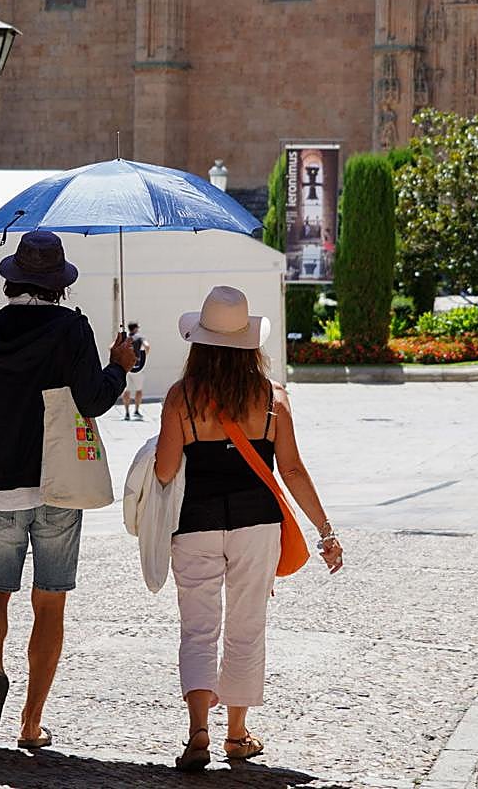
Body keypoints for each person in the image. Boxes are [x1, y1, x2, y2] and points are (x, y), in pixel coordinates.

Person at [0, 230, 136, 747]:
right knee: (49, 602)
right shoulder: (71, 329)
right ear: (58, 285)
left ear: (13, 279)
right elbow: (92, 401)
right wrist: (119, 365)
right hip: (57, 484)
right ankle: (30, 722)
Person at [154, 285, 344, 772]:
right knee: (246, 628)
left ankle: (198, 732)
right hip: (257, 523)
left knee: (198, 630)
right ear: (249, 344)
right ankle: (236, 735)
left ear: (199, 343)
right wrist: (324, 530)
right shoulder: (271, 397)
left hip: (194, 523)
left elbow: (164, 470)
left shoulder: (181, 397)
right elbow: (294, 471)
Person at [121, 322, 150, 420]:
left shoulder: (125, 338)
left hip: (127, 369)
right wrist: (144, 354)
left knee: (127, 391)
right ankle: (136, 410)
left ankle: (127, 413)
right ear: (136, 328)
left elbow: (111, 347)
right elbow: (147, 346)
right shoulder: (140, 338)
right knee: (139, 390)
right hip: (137, 367)